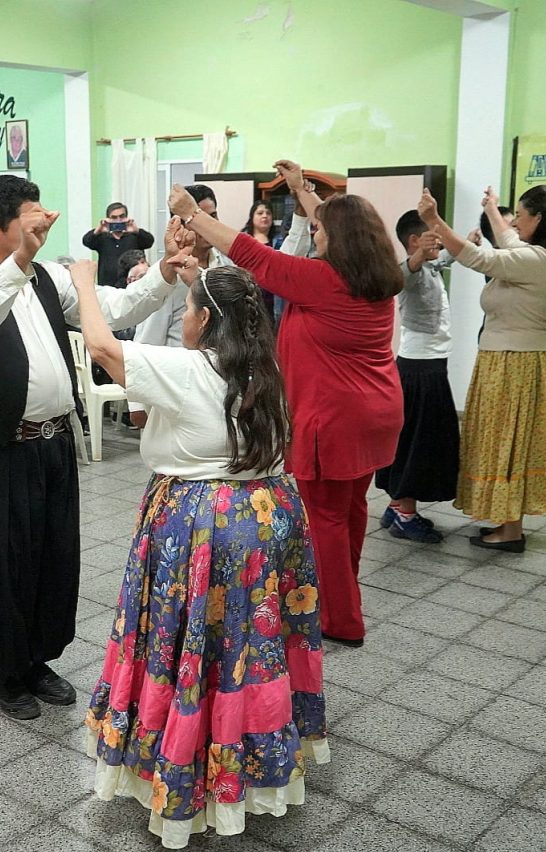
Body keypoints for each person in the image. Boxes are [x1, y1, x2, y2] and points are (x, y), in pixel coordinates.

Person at [73, 257, 329, 848]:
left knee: (188, 642)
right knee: (247, 641)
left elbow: (101, 346)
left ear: (206, 320)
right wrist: (194, 278)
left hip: (203, 521)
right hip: (267, 516)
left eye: (188, 309)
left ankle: (190, 763)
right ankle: (251, 751)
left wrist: (85, 281)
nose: (182, 319)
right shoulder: (263, 368)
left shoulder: (190, 368)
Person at [0, 174, 184, 719]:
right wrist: (17, 262)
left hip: (51, 445)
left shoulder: (49, 276)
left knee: (51, 557)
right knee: (3, 563)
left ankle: (38, 658)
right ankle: (3, 673)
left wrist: (165, 273)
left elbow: (114, 309)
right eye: (31, 218)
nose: (45, 223)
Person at [167, 162, 404, 648]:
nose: (314, 231)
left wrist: (193, 215)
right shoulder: (374, 274)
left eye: (319, 228)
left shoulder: (322, 280)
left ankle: (340, 619)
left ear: (338, 239)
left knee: (326, 519)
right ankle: (343, 597)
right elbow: (336, 225)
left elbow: (252, 254)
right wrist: (301, 193)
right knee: (349, 511)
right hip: (376, 412)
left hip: (335, 416)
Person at [418, 184, 546, 551]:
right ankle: (507, 521)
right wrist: (492, 208)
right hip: (516, 359)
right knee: (509, 443)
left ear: (538, 219)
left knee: (510, 444)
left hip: (517, 363)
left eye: (522, 216)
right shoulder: (544, 254)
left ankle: (511, 530)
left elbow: (478, 258)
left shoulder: (537, 260)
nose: (516, 224)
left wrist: (434, 220)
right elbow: (508, 239)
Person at [374, 209, 461, 544]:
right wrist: (417, 256)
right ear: (415, 240)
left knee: (414, 440)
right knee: (416, 444)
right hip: (419, 369)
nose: (439, 238)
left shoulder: (432, 265)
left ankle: (396, 505)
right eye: (432, 234)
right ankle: (406, 514)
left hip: (430, 365)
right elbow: (404, 274)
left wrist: (465, 240)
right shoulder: (407, 271)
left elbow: (448, 258)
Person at [129, 184, 229, 429]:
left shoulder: (225, 267)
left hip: (222, 386)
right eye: (199, 216)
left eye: (212, 216)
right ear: (182, 223)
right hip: (178, 390)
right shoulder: (168, 276)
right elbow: (146, 341)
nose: (207, 224)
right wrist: (137, 405)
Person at [81, 202, 156, 286]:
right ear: (108, 219)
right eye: (114, 217)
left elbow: (150, 241)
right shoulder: (102, 237)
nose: (118, 220)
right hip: (108, 286)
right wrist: (99, 230)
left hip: (132, 285)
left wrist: (137, 230)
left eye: (122, 216)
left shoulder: (135, 235)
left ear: (126, 217)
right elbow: (86, 241)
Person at [240, 200, 282, 318]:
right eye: (260, 213)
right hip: (249, 296)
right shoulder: (243, 240)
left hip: (273, 298)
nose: (265, 216)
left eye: (268, 213)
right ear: (252, 217)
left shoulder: (279, 241)